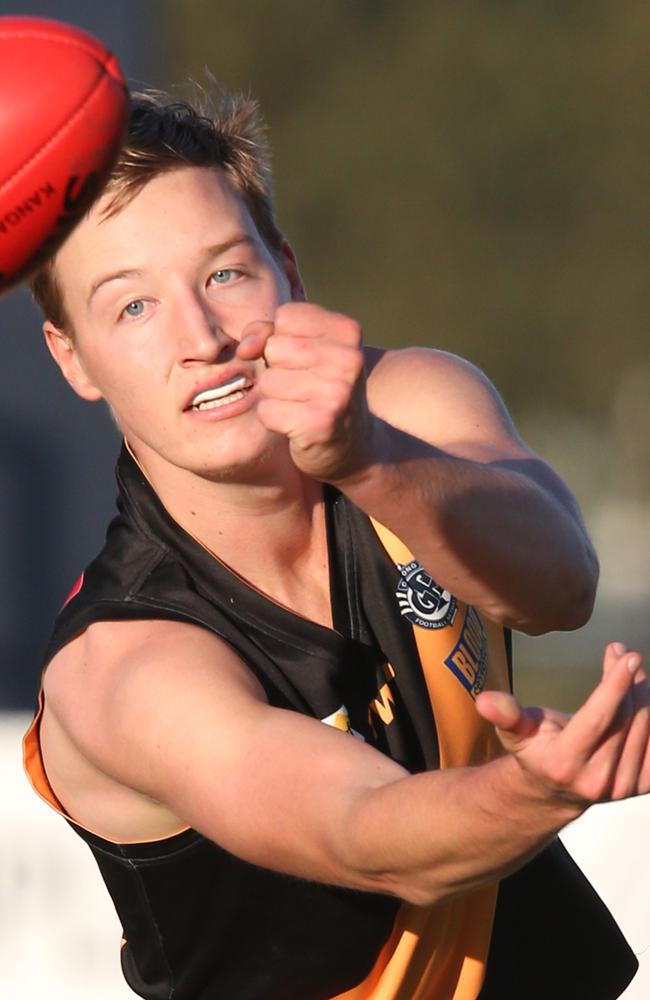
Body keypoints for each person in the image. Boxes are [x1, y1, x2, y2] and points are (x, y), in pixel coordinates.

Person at [22, 87, 647, 1000]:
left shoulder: (405, 413)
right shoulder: (121, 666)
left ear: (288, 270)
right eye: (132, 308)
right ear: (71, 356)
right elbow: (364, 830)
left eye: (226, 273)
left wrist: (375, 461)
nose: (204, 338)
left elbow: (560, 587)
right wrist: (536, 793)